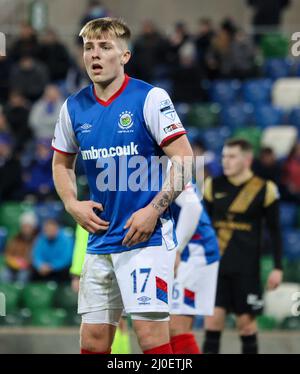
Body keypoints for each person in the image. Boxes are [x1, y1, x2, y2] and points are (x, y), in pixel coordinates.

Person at [52, 17, 193, 355]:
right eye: (89, 48)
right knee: (94, 340)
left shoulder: (150, 97)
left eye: (105, 47)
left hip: (147, 238)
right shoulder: (73, 107)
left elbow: (185, 160)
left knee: (150, 338)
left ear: (125, 55)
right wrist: (72, 203)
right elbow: (60, 164)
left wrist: (152, 211)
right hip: (100, 240)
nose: (95, 55)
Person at [202, 139, 283, 354]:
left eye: (231, 156)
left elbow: (275, 231)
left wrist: (277, 267)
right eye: (223, 156)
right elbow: (203, 227)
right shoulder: (212, 185)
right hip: (216, 267)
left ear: (247, 159)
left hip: (247, 270)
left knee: (246, 327)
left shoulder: (265, 189)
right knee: (212, 323)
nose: (225, 161)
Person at [169, 184, 220, 354]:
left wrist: (177, 249)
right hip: (190, 252)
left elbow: (193, 207)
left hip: (195, 253)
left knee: (176, 327)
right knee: (171, 328)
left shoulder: (169, 166)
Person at [70, 224, 131, 354]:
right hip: (99, 268)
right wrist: (76, 274)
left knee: (119, 322)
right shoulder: (88, 210)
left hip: (122, 262)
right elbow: (82, 243)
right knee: (106, 323)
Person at [0, 211, 38, 284]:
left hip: (28, 268)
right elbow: (8, 253)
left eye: (28, 226)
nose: (26, 229)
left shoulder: (37, 240)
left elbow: (35, 256)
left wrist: (26, 262)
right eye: (24, 226)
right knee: (4, 275)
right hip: (12, 267)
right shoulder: (15, 239)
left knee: (23, 276)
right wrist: (13, 261)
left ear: (33, 227)